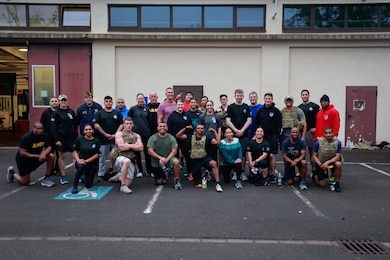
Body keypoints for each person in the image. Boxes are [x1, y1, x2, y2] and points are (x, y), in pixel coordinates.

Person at [176, 124, 223, 192]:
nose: (200, 130)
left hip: (204, 158)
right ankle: (204, 174)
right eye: (198, 128)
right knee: (197, 182)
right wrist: (185, 128)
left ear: (204, 130)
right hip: (194, 160)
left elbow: (218, 142)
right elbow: (178, 135)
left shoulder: (207, 138)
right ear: (196, 129)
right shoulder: (190, 137)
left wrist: (215, 132)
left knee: (214, 163)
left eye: (201, 128)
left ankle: (218, 184)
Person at [6, 122, 55, 187]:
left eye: (41, 129)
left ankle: (46, 178)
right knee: (25, 183)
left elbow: (49, 147)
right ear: (34, 128)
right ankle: (12, 172)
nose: (40, 130)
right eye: (38, 129)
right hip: (24, 160)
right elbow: (22, 153)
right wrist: (39, 156)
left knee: (51, 156)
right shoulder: (26, 138)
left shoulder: (44, 136)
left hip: (36, 158)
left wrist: (44, 153)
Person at [109, 117, 143, 194]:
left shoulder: (137, 135)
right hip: (120, 157)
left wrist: (129, 145)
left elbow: (141, 148)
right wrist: (135, 145)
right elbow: (121, 147)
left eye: (130, 124)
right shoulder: (119, 134)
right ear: (124, 124)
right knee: (126, 161)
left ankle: (120, 176)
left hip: (131, 158)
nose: (129, 125)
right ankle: (123, 186)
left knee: (129, 183)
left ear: (133, 125)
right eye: (127, 123)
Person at [93, 96, 123, 182]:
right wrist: (104, 134)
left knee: (117, 157)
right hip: (103, 140)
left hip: (115, 140)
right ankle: (101, 174)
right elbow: (96, 125)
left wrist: (115, 134)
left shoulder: (117, 113)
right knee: (102, 158)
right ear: (104, 102)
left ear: (112, 102)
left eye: (110, 101)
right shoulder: (99, 113)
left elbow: (121, 124)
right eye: (107, 101)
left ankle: (119, 173)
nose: (108, 103)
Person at [255, 92, 282, 182]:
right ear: (264, 100)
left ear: (272, 100)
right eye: (266, 99)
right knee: (262, 155)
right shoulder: (260, 111)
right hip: (262, 137)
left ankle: (271, 174)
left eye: (269, 99)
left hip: (272, 137)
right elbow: (257, 124)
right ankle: (263, 174)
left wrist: (277, 136)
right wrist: (257, 135)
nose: (267, 100)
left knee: (271, 155)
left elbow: (279, 125)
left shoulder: (276, 111)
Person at [51, 94, 78, 185]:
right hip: (61, 138)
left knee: (75, 156)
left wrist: (75, 137)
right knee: (62, 156)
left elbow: (75, 124)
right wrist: (56, 139)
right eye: (61, 100)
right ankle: (63, 176)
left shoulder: (71, 111)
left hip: (72, 138)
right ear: (59, 102)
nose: (63, 102)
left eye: (64, 100)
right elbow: (53, 127)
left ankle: (78, 175)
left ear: (67, 101)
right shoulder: (56, 113)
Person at [226, 89, 252, 180]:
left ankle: (242, 172)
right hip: (233, 135)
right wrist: (236, 130)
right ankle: (235, 172)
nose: (239, 97)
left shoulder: (246, 107)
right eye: (237, 95)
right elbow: (228, 121)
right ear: (235, 96)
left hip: (244, 135)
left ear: (243, 96)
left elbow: (249, 120)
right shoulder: (231, 107)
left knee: (243, 154)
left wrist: (242, 130)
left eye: (241, 95)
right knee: (234, 153)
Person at [147, 122, 182, 189]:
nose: (162, 128)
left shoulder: (171, 138)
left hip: (168, 159)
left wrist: (167, 159)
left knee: (176, 162)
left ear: (167, 128)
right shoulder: (153, 138)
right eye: (160, 126)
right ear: (157, 128)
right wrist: (161, 158)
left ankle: (177, 180)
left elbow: (174, 151)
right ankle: (166, 173)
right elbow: (150, 151)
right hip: (157, 161)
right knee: (159, 182)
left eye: (164, 126)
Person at [71, 124, 101, 194]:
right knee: (81, 167)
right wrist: (78, 160)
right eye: (86, 130)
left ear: (93, 130)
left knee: (88, 185)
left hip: (91, 163)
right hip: (81, 162)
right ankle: (75, 185)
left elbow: (97, 155)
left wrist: (86, 161)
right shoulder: (80, 139)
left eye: (90, 129)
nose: (88, 131)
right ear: (84, 131)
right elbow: (75, 151)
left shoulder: (96, 141)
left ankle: (85, 177)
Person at [312, 126, 343, 192]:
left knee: (339, 164)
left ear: (333, 133)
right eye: (326, 133)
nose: (328, 135)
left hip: (331, 162)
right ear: (324, 134)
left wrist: (327, 163)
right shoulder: (318, 142)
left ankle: (337, 183)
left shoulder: (338, 142)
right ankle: (315, 175)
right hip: (321, 163)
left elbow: (338, 157)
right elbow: (314, 156)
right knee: (322, 185)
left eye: (329, 133)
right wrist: (321, 165)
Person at [128, 93, 152, 178]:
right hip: (136, 135)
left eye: (142, 98)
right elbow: (129, 121)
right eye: (139, 98)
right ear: (136, 99)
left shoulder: (147, 109)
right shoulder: (132, 109)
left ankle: (149, 170)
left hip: (146, 134)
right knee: (137, 154)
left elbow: (150, 122)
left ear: (144, 100)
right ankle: (139, 171)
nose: (141, 100)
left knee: (147, 153)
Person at [167, 100, 192, 178]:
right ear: (176, 106)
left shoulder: (187, 115)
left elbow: (190, 127)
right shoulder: (172, 116)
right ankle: (174, 172)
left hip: (185, 139)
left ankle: (190, 173)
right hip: (175, 140)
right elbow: (169, 128)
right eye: (179, 104)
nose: (180, 106)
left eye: (181, 104)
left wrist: (188, 136)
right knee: (175, 156)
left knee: (188, 156)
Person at [298, 89, 320, 174]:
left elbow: (319, 119)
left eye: (306, 94)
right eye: (303, 95)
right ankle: (301, 171)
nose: (304, 96)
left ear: (308, 95)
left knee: (312, 152)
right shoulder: (299, 107)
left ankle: (313, 170)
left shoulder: (315, 106)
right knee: (301, 152)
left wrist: (316, 128)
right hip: (301, 132)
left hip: (311, 133)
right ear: (301, 96)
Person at [40, 96, 59, 175]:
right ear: (50, 103)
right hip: (48, 138)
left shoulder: (60, 112)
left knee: (59, 155)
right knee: (50, 155)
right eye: (52, 101)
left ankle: (58, 170)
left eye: (55, 101)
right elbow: (42, 124)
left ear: (58, 103)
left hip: (58, 138)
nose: (54, 102)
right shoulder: (45, 113)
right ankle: (50, 170)